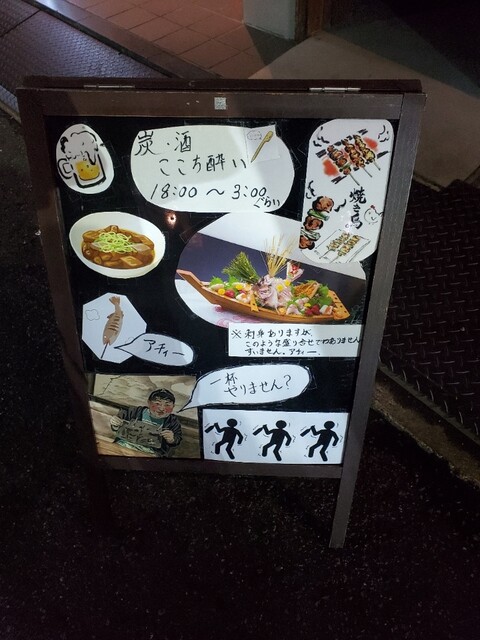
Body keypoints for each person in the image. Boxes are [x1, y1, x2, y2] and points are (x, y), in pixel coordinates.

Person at [110, 388, 182, 457]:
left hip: (151, 453)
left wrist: (172, 439)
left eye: (167, 405)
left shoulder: (172, 421)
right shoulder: (133, 411)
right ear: (149, 403)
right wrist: (115, 424)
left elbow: (177, 440)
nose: (162, 408)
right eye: (157, 404)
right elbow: (117, 425)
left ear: (173, 406)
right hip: (124, 446)